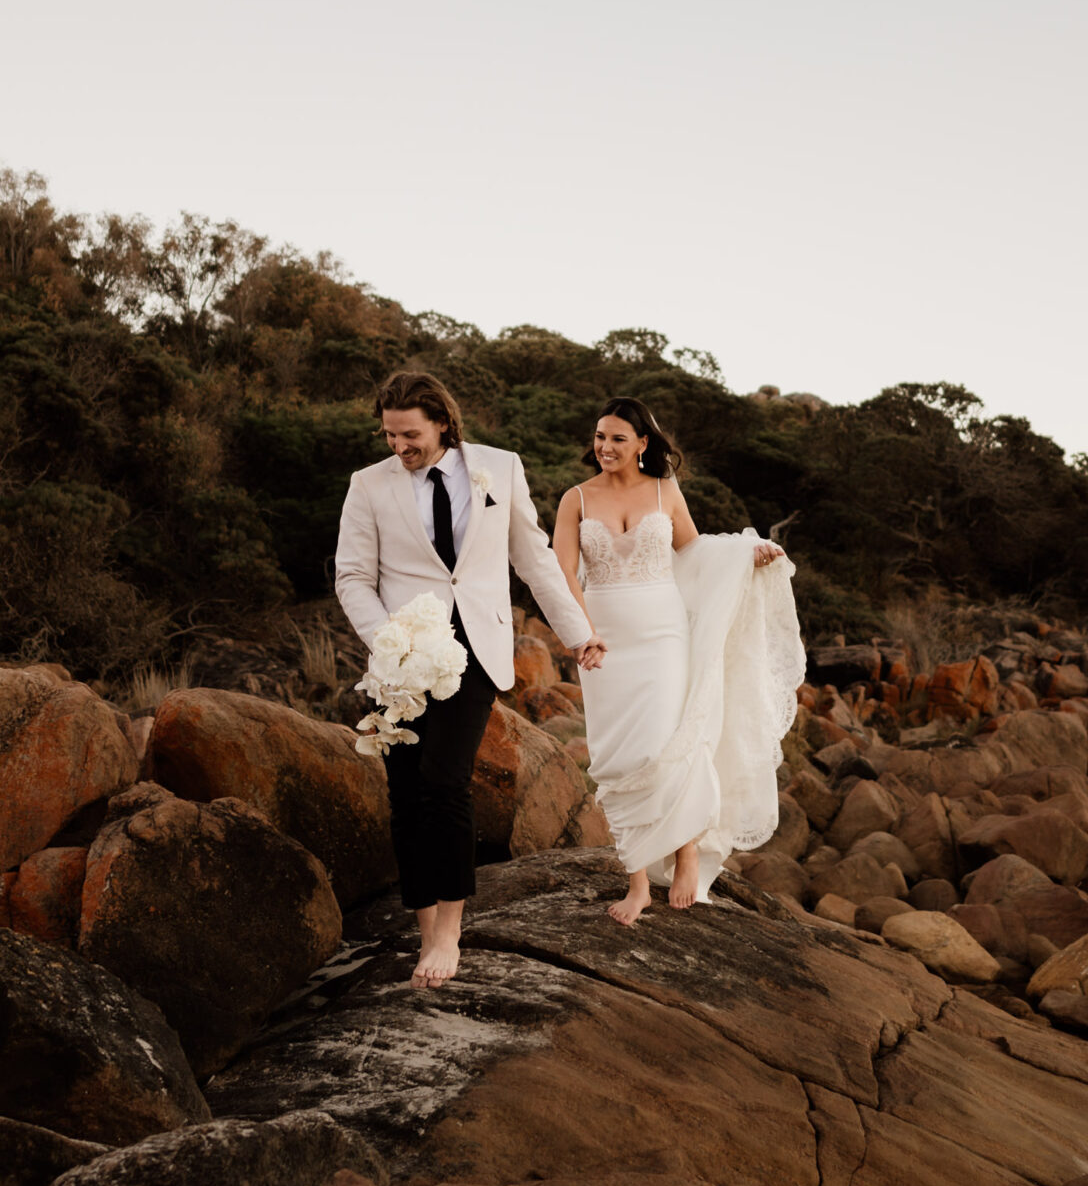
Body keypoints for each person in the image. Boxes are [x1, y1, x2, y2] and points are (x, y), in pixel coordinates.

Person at [333, 371, 606, 987]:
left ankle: (450, 931)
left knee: (444, 780)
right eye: (389, 435)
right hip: (401, 657)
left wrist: (577, 633)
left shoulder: (499, 468)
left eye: (410, 434)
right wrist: (390, 642)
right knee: (406, 794)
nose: (399, 446)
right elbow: (352, 577)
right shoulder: (368, 484)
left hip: (477, 649)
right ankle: (425, 925)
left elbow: (534, 559)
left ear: (442, 423)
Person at [551, 397, 803, 924]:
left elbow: (693, 551)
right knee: (618, 755)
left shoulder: (666, 491)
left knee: (669, 742)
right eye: (600, 436)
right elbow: (563, 573)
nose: (605, 447)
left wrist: (745, 554)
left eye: (618, 438)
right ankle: (638, 882)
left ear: (643, 443)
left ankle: (687, 854)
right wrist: (581, 634)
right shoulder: (576, 498)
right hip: (602, 641)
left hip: (664, 636)